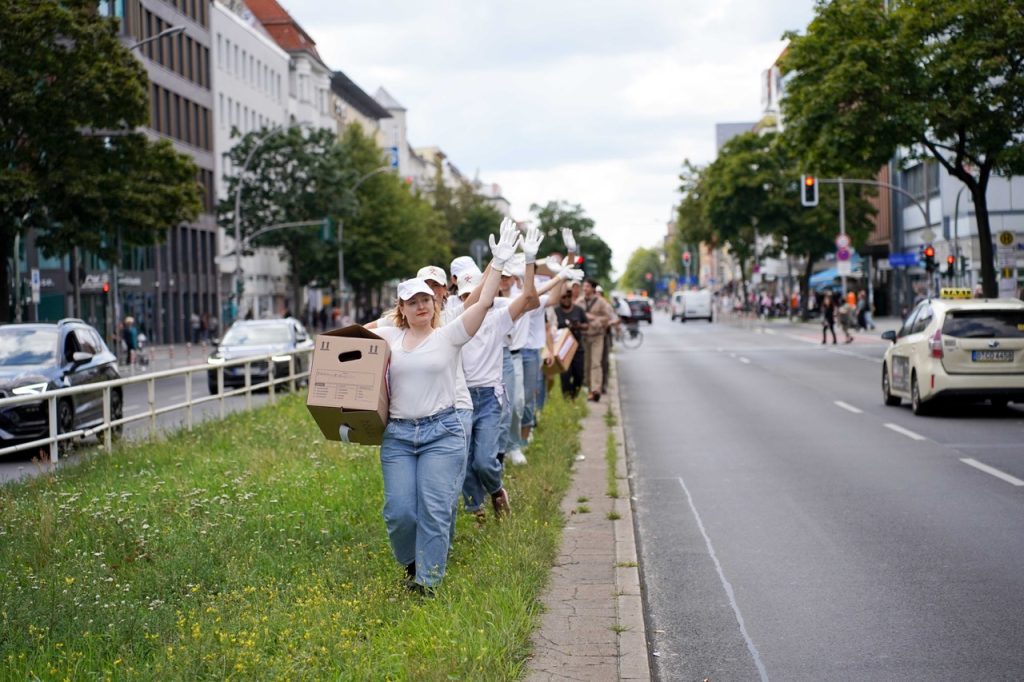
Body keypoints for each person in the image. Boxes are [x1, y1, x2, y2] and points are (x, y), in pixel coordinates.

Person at [371, 219, 520, 594]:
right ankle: (412, 563)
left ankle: (427, 584)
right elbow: (346, 342)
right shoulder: (389, 335)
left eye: (426, 299)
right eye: (412, 301)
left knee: (436, 510)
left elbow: (483, 302)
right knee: (399, 513)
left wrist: (497, 263)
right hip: (400, 435)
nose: (421, 305)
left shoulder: (449, 335)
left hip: (443, 432)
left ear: (436, 302)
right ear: (401, 308)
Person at [577, 279, 615, 401]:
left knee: (596, 363)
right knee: (587, 364)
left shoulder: (601, 302)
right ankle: (589, 389)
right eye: (584, 286)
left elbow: (608, 317)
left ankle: (596, 389)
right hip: (584, 336)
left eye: (587, 286)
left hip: (597, 335)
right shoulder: (580, 302)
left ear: (593, 288)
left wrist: (594, 319)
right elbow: (574, 314)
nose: (584, 289)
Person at [554, 289, 587, 399]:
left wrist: (579, 326)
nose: (567, 299)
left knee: (579, 375)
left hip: (577, 347)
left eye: (569, 296)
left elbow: (587, 325)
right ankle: (567, 398)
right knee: (565, 376)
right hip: (562, 349)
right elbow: (551, 328)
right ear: (559, 298)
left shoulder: (579, 310)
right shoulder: (556, 311)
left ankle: (574, 395)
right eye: (564, 297)